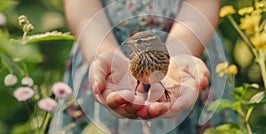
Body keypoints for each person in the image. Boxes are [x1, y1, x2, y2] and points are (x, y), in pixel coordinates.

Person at [49, 0, 224, 133]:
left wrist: (178, 53)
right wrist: (103, 51)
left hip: (189, 42)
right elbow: (81, 7)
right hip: (99, 42)